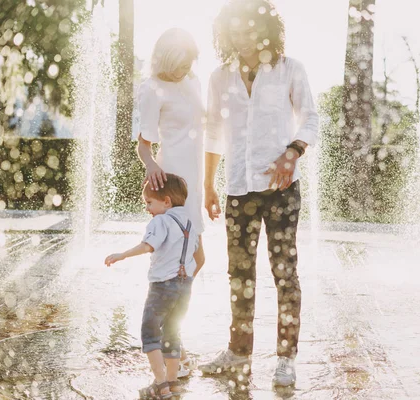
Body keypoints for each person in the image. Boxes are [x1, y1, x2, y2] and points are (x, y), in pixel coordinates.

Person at [198, 0, 319, 387]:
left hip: (281, 189)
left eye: (247, 26)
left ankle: (286, 358)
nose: (240, 34)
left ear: (264, 27)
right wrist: (208, 184)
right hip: (237, 189)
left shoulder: (289, 70)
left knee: (285, 273)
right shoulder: (219, 77)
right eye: (232, 28)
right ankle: (238, 352)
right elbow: (213, 133)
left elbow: (311, 118)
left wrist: (292, 152)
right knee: (239, 273)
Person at [135, 27, 205, 377]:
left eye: (189, 63)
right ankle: (169, 341)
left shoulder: (193, 81)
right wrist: (151, 168)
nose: (184, 69)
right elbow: (143, 144)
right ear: (165, 59)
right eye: (180, 63)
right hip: (173, 183)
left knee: (197, 259)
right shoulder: (151, 88)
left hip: (195, 178)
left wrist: (209, 186)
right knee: (183, 260)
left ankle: (172, 336)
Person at [105, 174, 199, 399]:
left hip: (162, 285)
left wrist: (122, 255)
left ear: (166, 201)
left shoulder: (161, 220)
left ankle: (160, 384)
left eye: (149, 202)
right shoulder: (189, 223)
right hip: (185, 285)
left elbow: (148, 246)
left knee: (150, 333)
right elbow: (194, 252)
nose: (147, 208)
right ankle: (173, 383)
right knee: (172, 332)